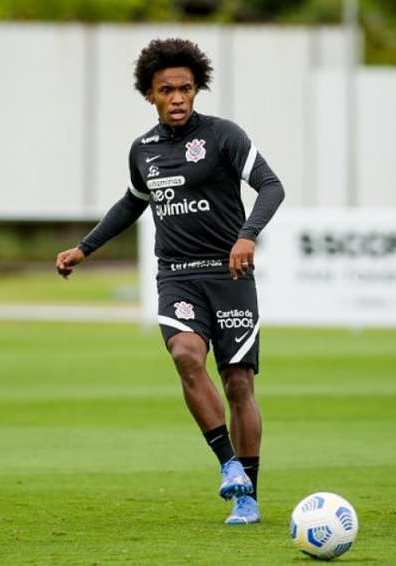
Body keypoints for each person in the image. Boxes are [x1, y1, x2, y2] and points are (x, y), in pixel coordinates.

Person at [55, 38, 284, 523]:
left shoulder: (225, 136)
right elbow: (131, 203)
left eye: (185, 88)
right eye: (166, 90)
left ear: (197, 88)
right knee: (184, 353)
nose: (177, 97)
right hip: (177, 275)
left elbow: (271, 185)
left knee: (239, 383)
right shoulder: (144, 150)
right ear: (150, 95)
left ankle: (249, 496)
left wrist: (247, 236)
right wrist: (84, 248)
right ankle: (229, 467)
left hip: (230, 273)